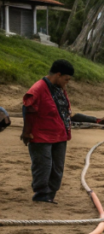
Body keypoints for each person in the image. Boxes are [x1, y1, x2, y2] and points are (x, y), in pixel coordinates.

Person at [21, 59, 74, 203]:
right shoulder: (38, 88)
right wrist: (26, 132)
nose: (66, 83)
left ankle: (50, 194)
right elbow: (28, 108)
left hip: (60, 134)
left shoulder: (60, 89)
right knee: (43, 166)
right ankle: (41, 194)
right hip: (41, 135)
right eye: (66, 79)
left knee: (57, 167)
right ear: (58, 75)